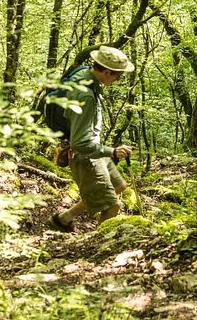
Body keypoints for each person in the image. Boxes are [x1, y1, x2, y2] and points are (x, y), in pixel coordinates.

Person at [51, 46, 135, 231]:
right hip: (85, 156)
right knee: (112, 206)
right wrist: (112, 151)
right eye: (117, 75)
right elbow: (80, 143)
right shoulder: (85, 95)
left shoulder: (84, 74)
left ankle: (64, 218)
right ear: (106, 72)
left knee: (119, 186)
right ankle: (96, 251)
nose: (119, 79)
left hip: (95, 148)